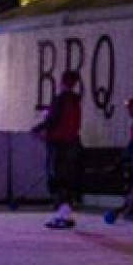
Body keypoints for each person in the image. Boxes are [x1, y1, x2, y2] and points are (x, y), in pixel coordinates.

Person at [32, 69, 82, 229]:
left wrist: (37, 128)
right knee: (67, 178)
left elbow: (53, 119)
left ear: (61, 82)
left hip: (58, 143)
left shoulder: (60, 99)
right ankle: (65, 213)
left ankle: (62, 213)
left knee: (56, 177)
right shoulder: (75, 101)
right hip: (71, 142)